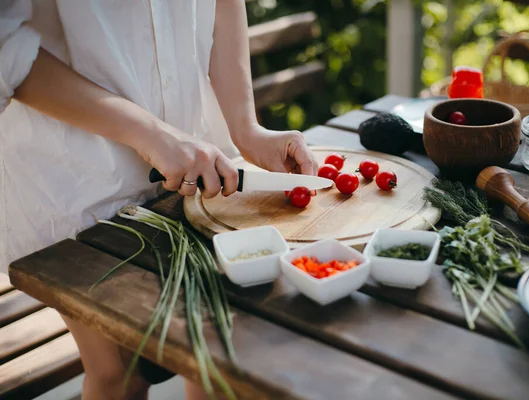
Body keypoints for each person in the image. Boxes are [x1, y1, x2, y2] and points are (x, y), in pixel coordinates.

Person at [0, 1, 318, 399]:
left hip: (194, 164)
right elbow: (5, 45)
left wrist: (246, 128)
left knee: (214, 351)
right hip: (78, 173)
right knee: (121, 370)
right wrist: (151, 135)